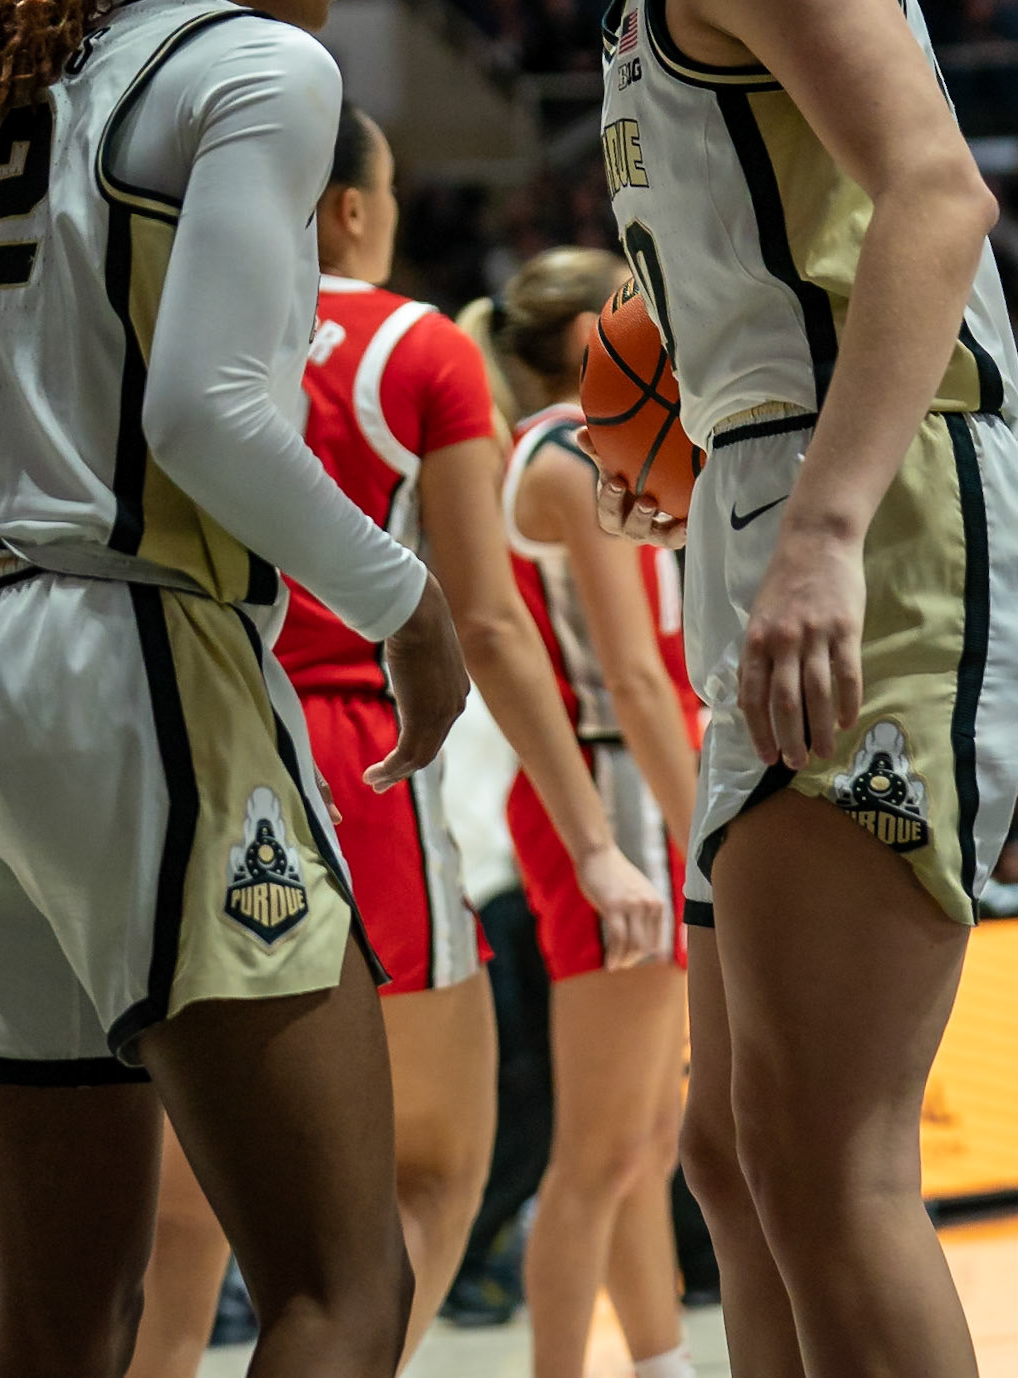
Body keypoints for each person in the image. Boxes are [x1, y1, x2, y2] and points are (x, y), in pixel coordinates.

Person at [407, 0, 1018, 1378]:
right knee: (725, 1151)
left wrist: (823, 525)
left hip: (894, 516)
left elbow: (934, 201)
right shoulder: (646, 0)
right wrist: (709, 471)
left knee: (824, 1152)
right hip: (768, 511)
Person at [0, 0, 472, 1378]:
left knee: (58, 1314)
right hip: (125, 649)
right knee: (344, 1282)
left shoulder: (33, 80)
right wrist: (407, 603)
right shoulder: (260, 66)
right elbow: (211, 415)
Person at [128, 107, 665, 1377]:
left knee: (182, 1204)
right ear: (354, 209)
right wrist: (597, 845)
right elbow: (484, 619)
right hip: (360, 756)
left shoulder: (156, 322)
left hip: (183, 745)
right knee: (435, 1165)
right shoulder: (413, 343)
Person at [468, 246, 699, 1378]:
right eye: (627, 298)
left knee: (647, 1143)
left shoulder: (596, 439)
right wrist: (707, 841)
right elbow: (638, 675)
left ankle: (658, 1360)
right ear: (580, 340)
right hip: (617, 790)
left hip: (635, 781)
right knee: (599, 1151)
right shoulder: (564, 455)